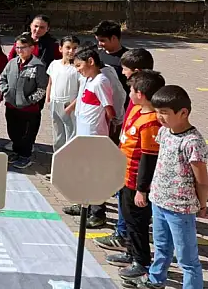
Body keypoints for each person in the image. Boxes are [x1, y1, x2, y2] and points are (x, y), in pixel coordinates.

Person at [120, 86, 208, 289]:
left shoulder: (192, 141)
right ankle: (155, 278)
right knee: (161, 246)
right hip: (159, 200)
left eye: (165, 113)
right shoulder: (164, 132)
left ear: (183, 113)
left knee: (187, 257)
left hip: (180, 208)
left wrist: (202, 203)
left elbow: (202, 179)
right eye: (158, 112)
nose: (160, 117)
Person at [109, 71, 164, 279]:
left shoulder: (151, 122)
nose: (129, 93)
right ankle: (130, 252)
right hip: (124, 177)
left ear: (140, 93)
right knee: (130, 220)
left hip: (136, 182)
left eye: (131, 90)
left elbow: (148, 159)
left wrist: (142, 189)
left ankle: (141, 261)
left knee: (137, 223)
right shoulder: (138, 111)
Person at [64, 46, 116, 227]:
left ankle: (98, 212)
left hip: (95, 134)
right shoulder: (88, 79)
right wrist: (70, 108)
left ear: (91, 62)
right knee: (83, 170)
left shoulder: (101, 81)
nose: (77, 69)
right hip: (83, 132)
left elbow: (109, 108)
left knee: (93, 173)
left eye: (79, 65)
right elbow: (82, 98)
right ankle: (82, 203)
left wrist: (110, 127)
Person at [0, 33, 48, 169]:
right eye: (18, 48)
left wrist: (30, 100)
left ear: (32, 48)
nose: (20, 51)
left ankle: (25, 156)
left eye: (24, 47)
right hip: (12, 106)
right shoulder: (12, 63)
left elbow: (42, 88)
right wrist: (6, 92)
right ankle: (16, 152)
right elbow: (2, 79)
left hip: (29, 109)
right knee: (14, 132)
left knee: (27, 135)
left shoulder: (38, 66)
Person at [46, 36, 81, 152]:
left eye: (74, 48)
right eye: (68, 47)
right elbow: (50, 83)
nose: (71, 51)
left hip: (69, 105)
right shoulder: (54, 64)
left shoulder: (77, 68)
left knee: (70, 133)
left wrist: (72, 106)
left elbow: (81, 90)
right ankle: (57, 156)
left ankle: (69, 159)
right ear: (61, 48)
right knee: (58, 134)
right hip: (54, 103)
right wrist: (48, 100)